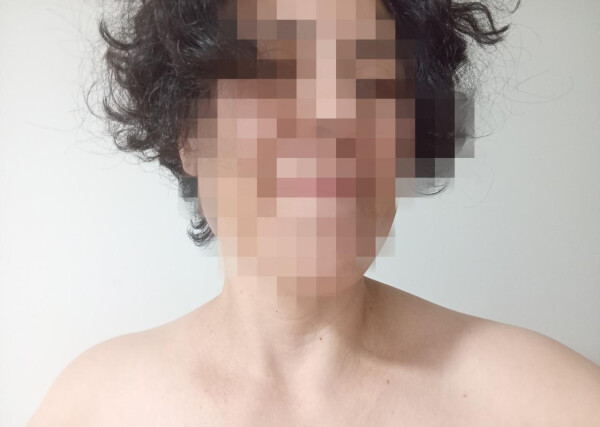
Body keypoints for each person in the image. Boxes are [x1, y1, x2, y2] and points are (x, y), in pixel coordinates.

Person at [28, 0, 600, 425]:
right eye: (273, 74)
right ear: (188, 134)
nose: (336, 119)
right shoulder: (92, 407)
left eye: (372, 86)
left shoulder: (549, 403)